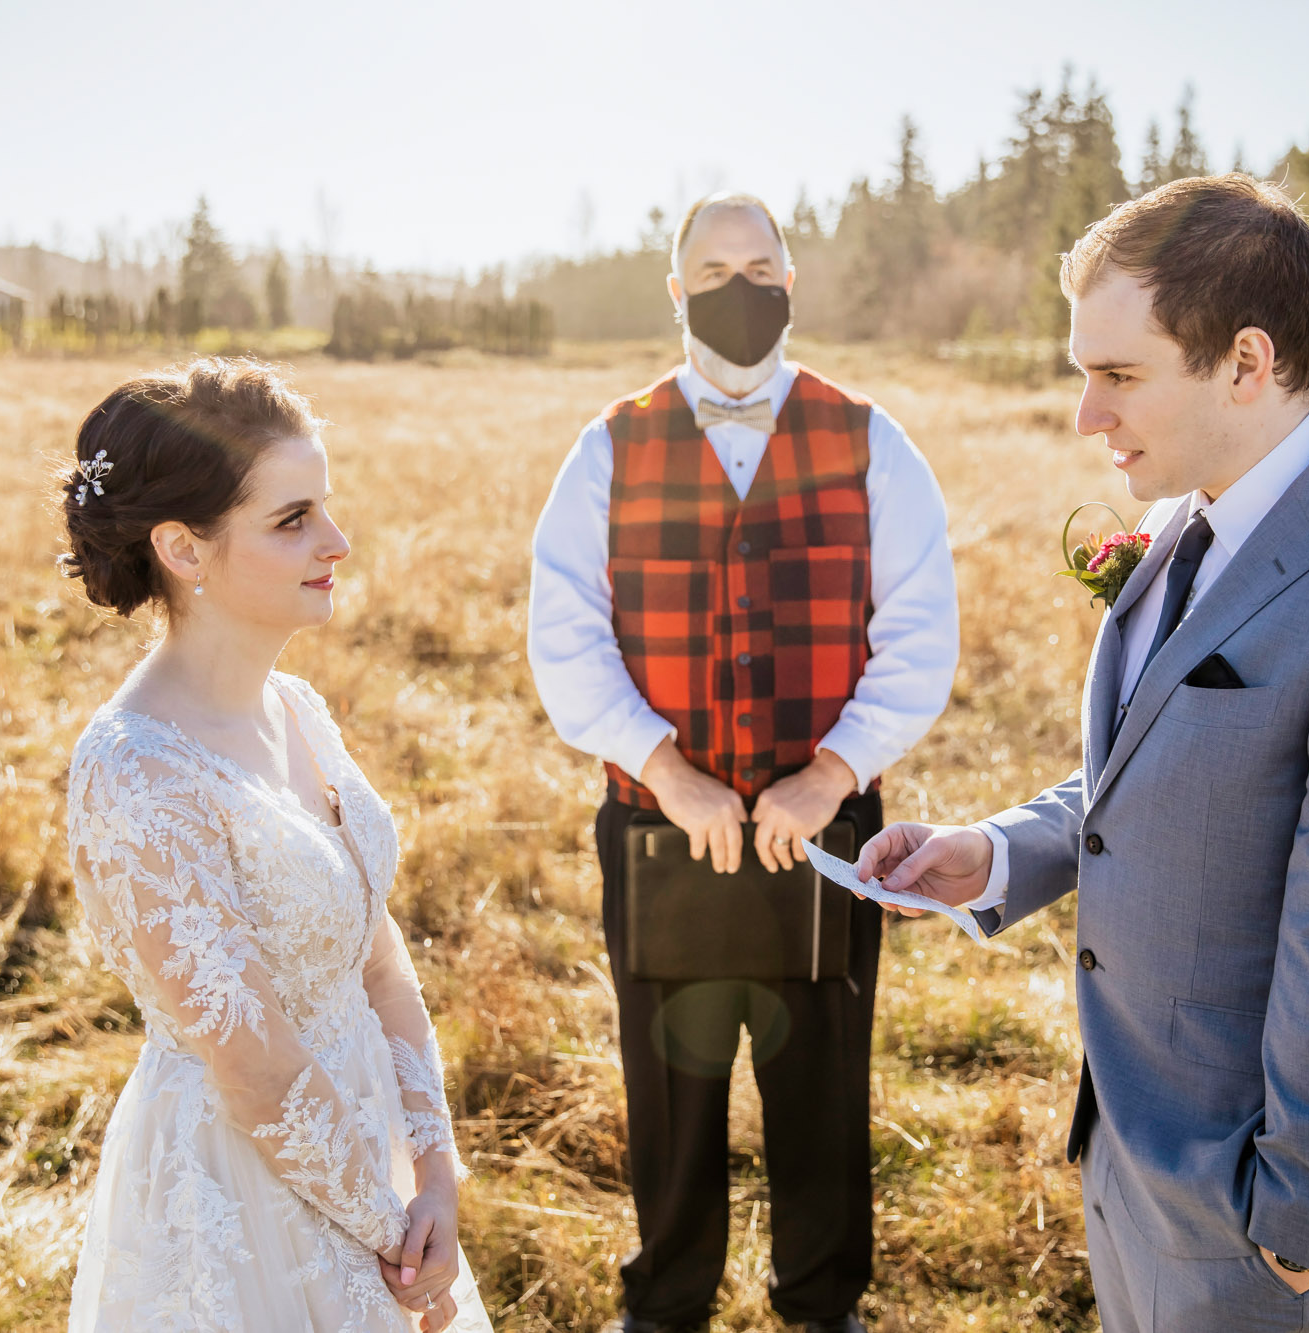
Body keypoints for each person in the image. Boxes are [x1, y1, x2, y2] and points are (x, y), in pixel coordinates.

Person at [856, 175, 1309, 1332]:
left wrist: (1298, 1224)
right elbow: (1157, 769)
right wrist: (997, 851)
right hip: (1123, 1140)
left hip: (1251, 1204)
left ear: (1245, 365)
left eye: (1117, 375)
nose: (1084, 415)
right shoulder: (1181, 520)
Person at [527, 192, 960, 1333]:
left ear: (790, 283)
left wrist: (832, 772)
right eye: (713, 268)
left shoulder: (868, 436)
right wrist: (665, 768)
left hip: (822, 832)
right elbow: (563, 637)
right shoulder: (608, 446)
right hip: (656, 829)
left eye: (759, 265)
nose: (738, 285)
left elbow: (919, 632)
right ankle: (664, 1305)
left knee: (822, 1083)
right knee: (668, 1095)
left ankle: (822, 1306)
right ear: (674, 292)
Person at [58, 358, 492, 1332]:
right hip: (244, 1194)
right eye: (292, 519)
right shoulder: (136, 770)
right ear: (182, 547)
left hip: (377, 1155)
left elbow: (376, 960)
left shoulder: (294, 708)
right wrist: (393, 1236)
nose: (336, 542)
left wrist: (433, 1171)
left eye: (325, 509)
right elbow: (252, 1067)